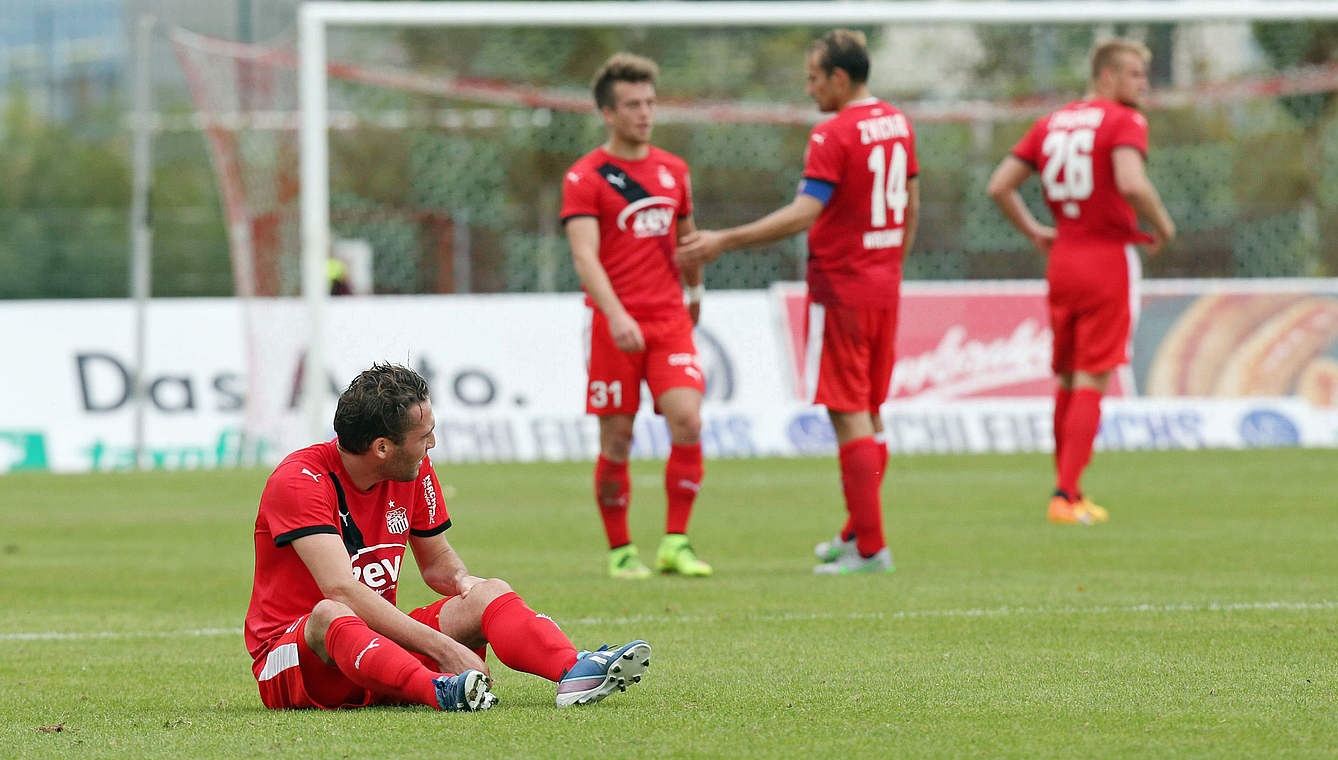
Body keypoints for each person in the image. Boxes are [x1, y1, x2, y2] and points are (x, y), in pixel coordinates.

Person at [244, 363, 651, 711]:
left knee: (490, 592)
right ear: (382, 447)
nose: (432, 445)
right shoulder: (301, 481)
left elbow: (437, 562)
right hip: (299, 660)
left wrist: (462, 582)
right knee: (331, 612)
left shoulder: (414, 470)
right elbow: (341, 591)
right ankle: (438, 689)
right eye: (423, 437)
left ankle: (573, 669)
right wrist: (442, 648)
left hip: (376, 653)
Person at [677, 30, 919, 575]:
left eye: (813, 77)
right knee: (870, 412)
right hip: (883, 284)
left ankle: (871, 547)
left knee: (847, 411)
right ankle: (859, 529)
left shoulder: (833, 132)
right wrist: (892, 264)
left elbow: (805, 212)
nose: (808, 88)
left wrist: (724, 240)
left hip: (843, 287)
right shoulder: (898, 123)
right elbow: (911, 198)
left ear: (839, 77)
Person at [986, 38, 1176, 525]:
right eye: (1135, 74)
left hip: (1064, 257)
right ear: (1107, 76)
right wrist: (1162, 223)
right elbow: (1131, 182)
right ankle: (1066, 494)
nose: (1142, 84)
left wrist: (1032, 230)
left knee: (1070, 377)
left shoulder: (1052, 122)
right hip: (1106, 257)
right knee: (1094, 375)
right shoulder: (1124, 120)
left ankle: (1067, 490)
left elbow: (999, 184)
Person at [560, 53, 712, 579]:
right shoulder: (586, 177)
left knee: (688, 420)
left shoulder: (675, 170)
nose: (645, 113)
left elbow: (687, 240)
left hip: (669, 318)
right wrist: (616, 313)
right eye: (632, 104)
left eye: (650, 102)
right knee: (618, 440)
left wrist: (696, 288)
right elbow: (585, 256)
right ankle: (622, 550)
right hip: (612, 323)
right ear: (607, 111)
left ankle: (676, 541)